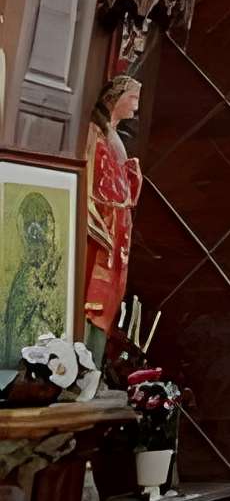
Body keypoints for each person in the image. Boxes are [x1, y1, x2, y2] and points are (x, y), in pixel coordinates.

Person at [82, 73, 143, 344]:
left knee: (113, 287)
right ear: (115, 99)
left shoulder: (112, 134)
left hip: (118, 222)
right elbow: (100, 181)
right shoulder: (96, 133)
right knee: (96, 284)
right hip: (105, 219)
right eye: (132, 98)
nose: (136, 106)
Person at [2, 188, 65, 364]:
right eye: (29, 223)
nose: (35, 232)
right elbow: (15, 341)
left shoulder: (58, 276)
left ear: (52, 225)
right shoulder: (24, 280)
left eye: (41, 222)